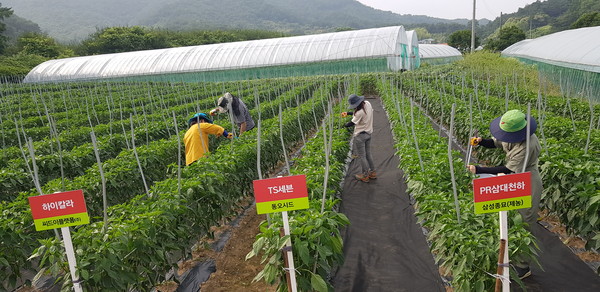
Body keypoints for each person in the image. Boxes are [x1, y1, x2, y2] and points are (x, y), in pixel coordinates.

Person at [467, 109, 542, 279]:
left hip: (527, 181)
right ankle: (509, 253)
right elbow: (497, 142)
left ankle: (523, 266)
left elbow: (507, 169)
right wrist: (481, 142)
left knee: (525, 220)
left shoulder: (527, 146)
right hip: (514, 179)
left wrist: (478, 169)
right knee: (509, 216)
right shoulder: (512, 136)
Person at [341, 94, 376, 183]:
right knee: (368, 154)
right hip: (368, 133)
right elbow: (359, 114)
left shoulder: (359, 112)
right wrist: (348, 113)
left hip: (360, 136)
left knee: (362, 156)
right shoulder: (367, 103)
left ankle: (365, 175)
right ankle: (373, 172)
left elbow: (351, 123)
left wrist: (342, 125)